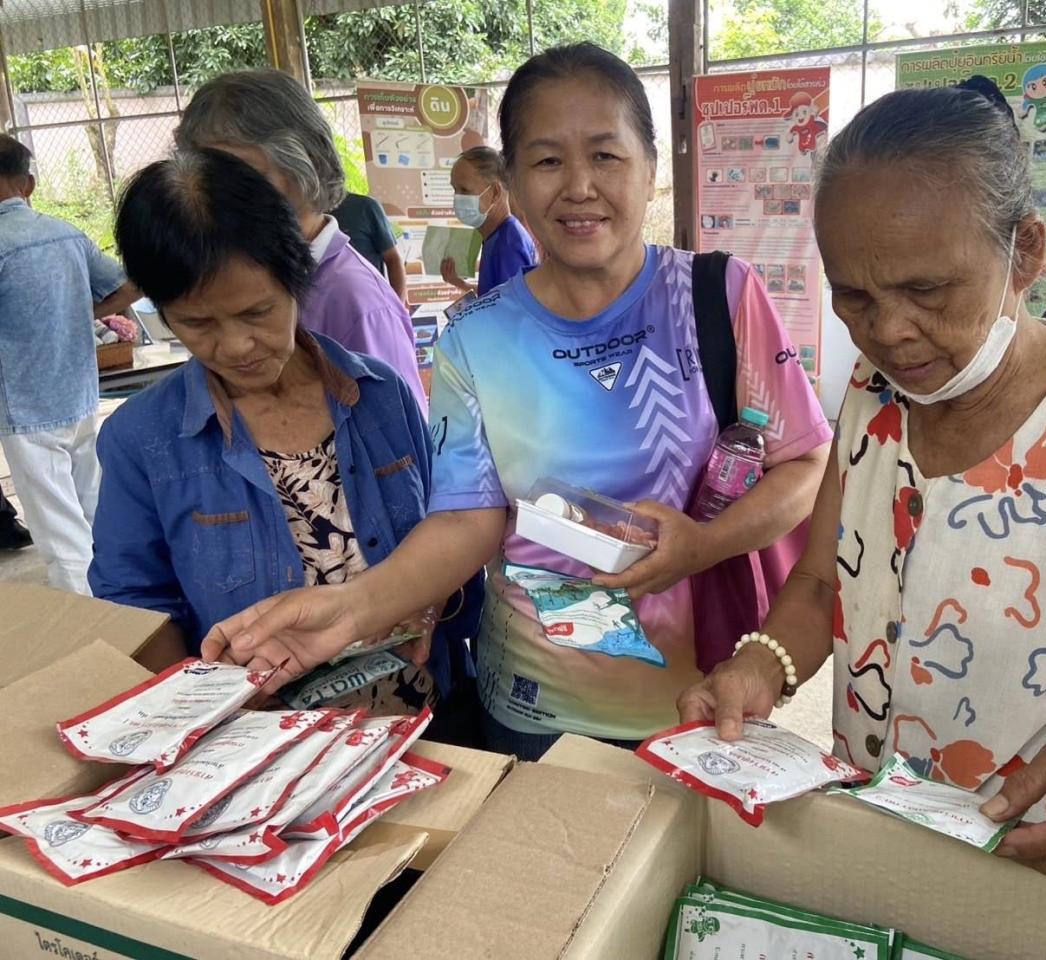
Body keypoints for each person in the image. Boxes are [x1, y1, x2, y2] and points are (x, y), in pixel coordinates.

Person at [679, 78, 1046, 876]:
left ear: (1025, 251)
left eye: (926, 290)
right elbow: (826, 582)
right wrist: (760, 664)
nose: (888, 331)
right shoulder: (874, 393)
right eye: (853, 296)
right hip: (880, 839)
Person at [201, 43, 832, 761]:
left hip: (701, 696)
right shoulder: (475, 337)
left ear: (650, 167)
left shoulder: (720, 294)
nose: (580, 187)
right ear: (515, 184)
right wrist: (349, 611)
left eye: (605, 155)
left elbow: (805, 465)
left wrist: (704, 546)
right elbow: (467, 518)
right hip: (535, 708)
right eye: (548, 160)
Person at [89, 148, 477, 731]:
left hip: (428, 717)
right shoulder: (142, 440)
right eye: (197, 323)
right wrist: (214, 701)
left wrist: (423, 601)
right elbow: (134, 608)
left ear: (297, 278)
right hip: (265, 743)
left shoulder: (381, 396)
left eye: (257, 312)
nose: (236, 346)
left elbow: (451, 527)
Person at [175, 70, 428, 417]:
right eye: (210, 179)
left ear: (302, 165)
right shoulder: (243, 275)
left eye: (246, 178)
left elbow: (400, 433)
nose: (224, 197)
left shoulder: (354, 300)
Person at [0, 134, 136, 593]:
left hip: (24, 408)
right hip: (79, 396)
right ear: (28, 185)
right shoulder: (66, 233)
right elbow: (130, 285)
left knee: (60, 533)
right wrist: (85, 312)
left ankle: (95, 623)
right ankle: (128, 601)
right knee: (95, 509)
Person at [441, 146, 538, 297]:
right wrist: (458, 282)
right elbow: (494, 293)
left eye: (465, 190)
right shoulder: (496, 236)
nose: (457, 198)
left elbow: (511, 307)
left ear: (495, 192)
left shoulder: (507, 244)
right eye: (455, 189)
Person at [331, 190, 408, 306]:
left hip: (372, 304)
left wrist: (398, 310)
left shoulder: (365, 206)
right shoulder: (307, 214)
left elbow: (393, 259)